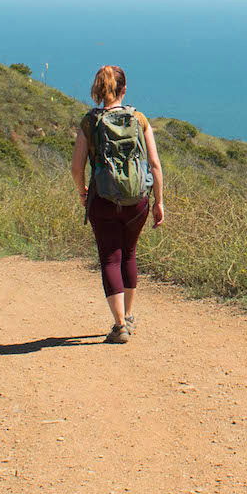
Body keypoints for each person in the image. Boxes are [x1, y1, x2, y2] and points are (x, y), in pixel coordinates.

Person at [72, 64, 165, 344]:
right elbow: (155, 165)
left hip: (102, 198)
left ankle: (119, 325)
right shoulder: (139, 119)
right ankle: (128, 315)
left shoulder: (89, 122)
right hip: (137, 199)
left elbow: (76, 167)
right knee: (129, 254)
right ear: (124, 89)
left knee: (110, 257)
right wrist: (159, 201)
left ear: (98, 90)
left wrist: (83, 193)